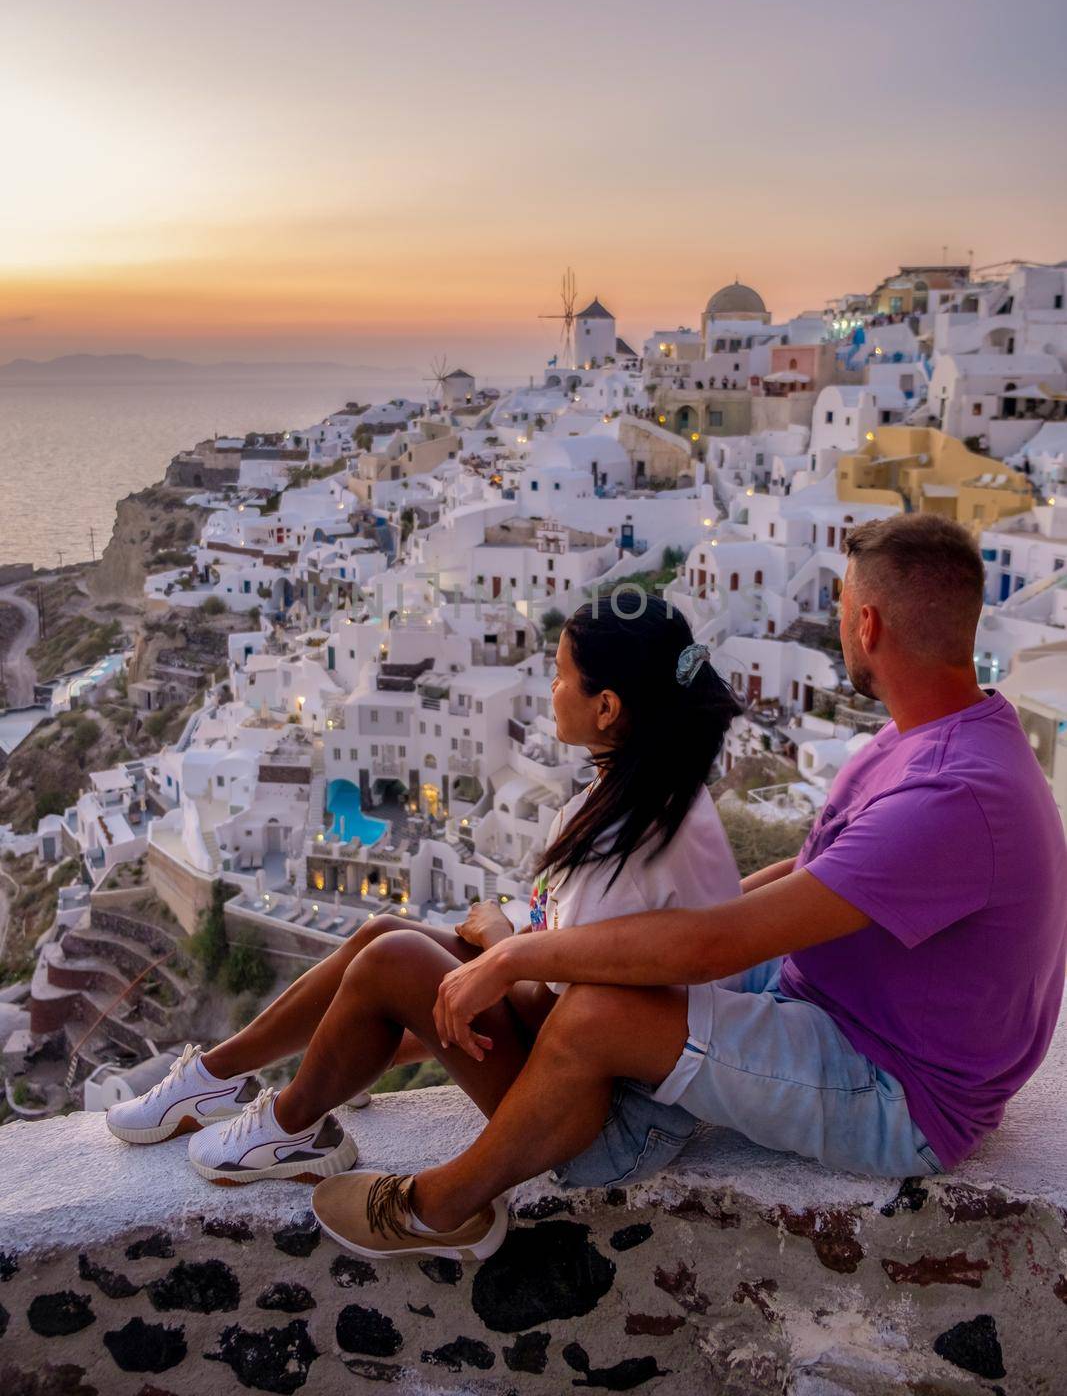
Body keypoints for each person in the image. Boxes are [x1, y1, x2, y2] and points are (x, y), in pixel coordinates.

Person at [312, 513, 1067, 1263]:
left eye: (840, 611)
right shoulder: (923, 739)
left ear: (865, 623)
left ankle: (439, 1208)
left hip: (898, 1088)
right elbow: (795, 883)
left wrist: (513, 957)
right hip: (839, 1001)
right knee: (622, 959)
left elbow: (714, 943)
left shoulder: (946, 792)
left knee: (598, 1014)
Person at [106, 593, 742, 1231]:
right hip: (611, 1080)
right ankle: (218, 1074)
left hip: (604, 1120)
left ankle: (289, 1128)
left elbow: (565, 1012)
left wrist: (494, 947)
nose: (550, 690)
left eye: (562, 677)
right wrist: (432, 1004)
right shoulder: (652, 793)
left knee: (396, 957)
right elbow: (570, 980)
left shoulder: (624, 839)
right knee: (384, 932)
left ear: (607, 707)